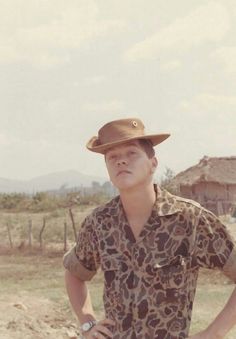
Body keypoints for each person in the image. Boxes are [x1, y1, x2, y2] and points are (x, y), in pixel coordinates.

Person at [63, 118, 236, 339]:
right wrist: (87, 322)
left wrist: (214, 333)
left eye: (131, 153)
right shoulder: (99, 223)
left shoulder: (191, 220)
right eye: (112, 157)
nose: (121, 162)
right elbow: (74, 273)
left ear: (153, 164)